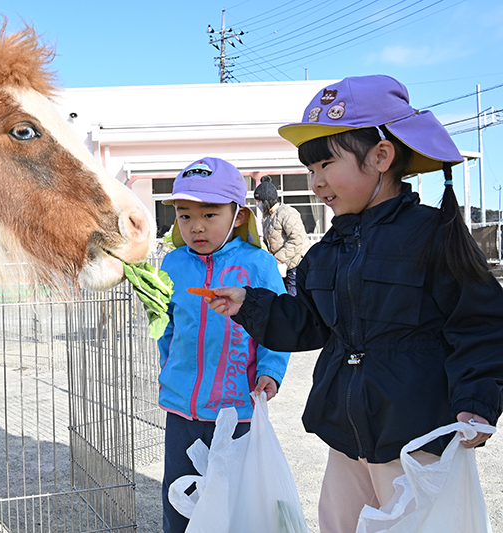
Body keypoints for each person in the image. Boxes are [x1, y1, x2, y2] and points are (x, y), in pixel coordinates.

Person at [204, 75, 503, 533]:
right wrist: (250, 304)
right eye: (311, 169)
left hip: (414, 437)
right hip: (346, 435)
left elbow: (481, 325)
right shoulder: (328, 250)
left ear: (381, 157)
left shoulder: (432, 236)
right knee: (339, 525)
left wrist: (477, 401)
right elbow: (307, 323)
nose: (316, 181)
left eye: (326, 164)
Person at [157, 157, 291, 533]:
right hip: (182, 410)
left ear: (238, 215)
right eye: (184, 216)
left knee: (234, 503)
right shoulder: (172, 264)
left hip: (237, 410)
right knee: (180, 498)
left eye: (210, 215)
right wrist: (168, 369)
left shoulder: (259, 265)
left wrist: (270, 371)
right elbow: (166, 326)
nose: (195, 226)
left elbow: (278, 324)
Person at [254, 175, 312, 295]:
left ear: (267, 201)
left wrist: (278, 258)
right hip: (281, 267)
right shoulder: (266, 217)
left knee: (293, 297)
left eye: (259, 202)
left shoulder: (288, 213)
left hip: (296, 264)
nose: (258, 205)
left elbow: (296, 240)